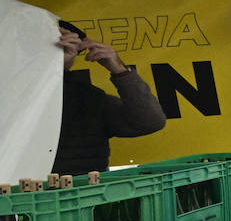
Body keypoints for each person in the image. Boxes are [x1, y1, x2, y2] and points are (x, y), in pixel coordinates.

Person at [54, 21, 166, 176]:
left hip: (85, 194)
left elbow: (150, 121)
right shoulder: (10, 92)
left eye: (66, 47)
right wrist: (53, 70)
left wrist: (120, 70)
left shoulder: (89, 98)